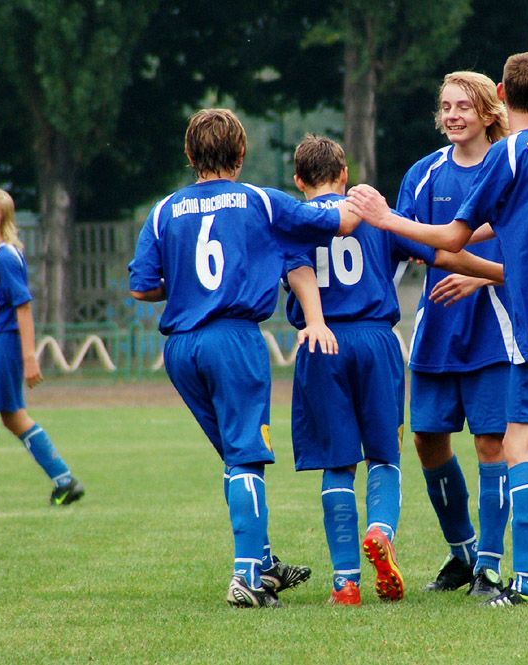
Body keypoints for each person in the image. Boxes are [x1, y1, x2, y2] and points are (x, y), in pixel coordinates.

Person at [349, 52, 528, 607]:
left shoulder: (511, 153)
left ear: (499, 93)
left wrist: (384, 218)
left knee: (518, 441)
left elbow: (450, 238)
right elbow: (504, 229)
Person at [128, 108, 361, 609]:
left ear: (190, 155)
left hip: (182, 347)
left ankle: (266, 561)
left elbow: (142, 287)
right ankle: (247, 577)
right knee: (245, 457)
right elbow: (337, 219)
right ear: (241, 153)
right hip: (233, 340)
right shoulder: (258, 200)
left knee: (235, 460)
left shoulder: (164, 209)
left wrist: (188, 288)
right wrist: (367, 205)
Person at [282, 134, 504, 606]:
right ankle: (381, 530)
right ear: (344, 176)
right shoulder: (375, 215)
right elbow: (442, 252)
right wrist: (497, 271)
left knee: (337, 464)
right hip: (376, 341)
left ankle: (345, 583)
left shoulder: (292, 222)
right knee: (384, 454)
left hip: (323, 343)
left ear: (298, 181)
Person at [396, 71, 512, 598]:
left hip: (495, 330)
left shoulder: (510, 169)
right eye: (445, 106)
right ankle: (462, 552)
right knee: (427, 440)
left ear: (489, 112)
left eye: (464, 106)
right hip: (437, 331)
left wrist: (477, 274)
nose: (452, 115)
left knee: (492, 444)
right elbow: (402, 245)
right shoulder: (423, 175)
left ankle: (489, 567)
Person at [0, 187, 85, 506]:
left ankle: (65, 479)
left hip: (1, 343)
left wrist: (30, 357)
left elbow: (23, 307)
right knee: (14, 417)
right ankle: (64, 480)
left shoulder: (5, 255)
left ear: (5, 218)